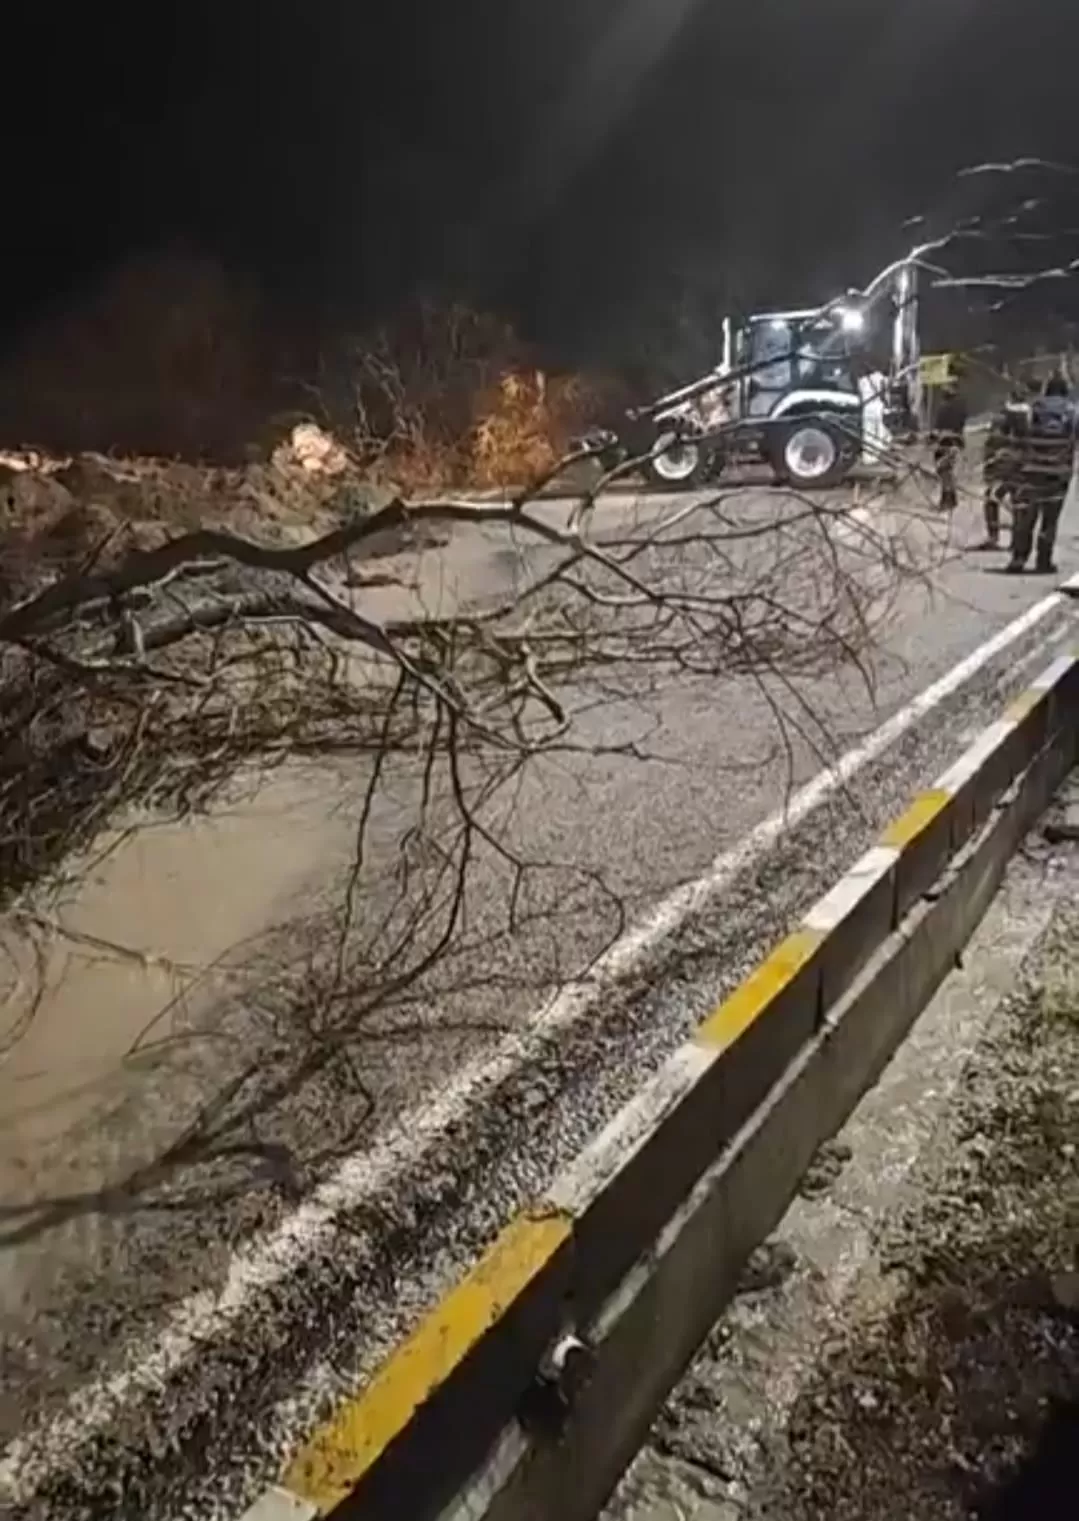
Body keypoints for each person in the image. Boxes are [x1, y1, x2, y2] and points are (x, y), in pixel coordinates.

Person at [1007, 373, 1078, 574]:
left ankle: (1019, 558)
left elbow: (1018, 435)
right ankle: (1043, 561)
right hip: (1059, 473)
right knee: (1050, 518)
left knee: (1026, 516)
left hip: (1031, 471)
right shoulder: (1072, 411)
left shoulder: (1032, 408)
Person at [978, 381, 1034, 550]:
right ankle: (1017, 540)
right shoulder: (1032, 416)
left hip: (1002, 465)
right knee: (1019, 504)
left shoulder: (1001, 417)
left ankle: (993, 537)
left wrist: (988, 465)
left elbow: (993, 442)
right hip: (1023, 465)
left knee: (991, 499)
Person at [932, 381, 968, 510]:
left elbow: (937, 428)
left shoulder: (943, 409)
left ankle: (947, 499)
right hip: (958, 441)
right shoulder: (961, 407)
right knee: (950, 471)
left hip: (944, 442)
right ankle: (951, 498)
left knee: (944, 471)